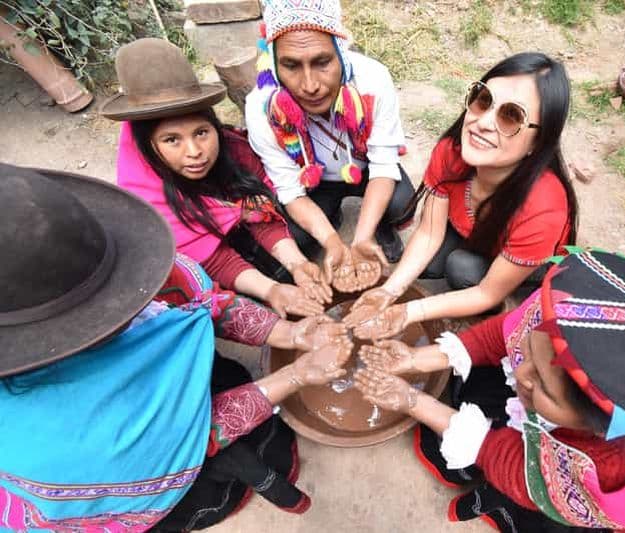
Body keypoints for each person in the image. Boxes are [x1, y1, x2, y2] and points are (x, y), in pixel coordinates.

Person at [0, 164, 354, 531]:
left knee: (224, 375)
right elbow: (191, 436)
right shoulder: (55, 444)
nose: (134, 302)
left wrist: (289, 334)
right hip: (126, 475)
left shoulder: (104, 259)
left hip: (135, 438)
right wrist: (297, 374)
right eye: (109, 312)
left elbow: (201, 301)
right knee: (210, 488)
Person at [354, 248, 625, 532]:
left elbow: (514, 463)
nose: (521, 372)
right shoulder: (572, 313)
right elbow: (504, 337)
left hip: (592, 476)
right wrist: (416, 359)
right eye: (531, 351)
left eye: (541, 386)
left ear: (596, 425)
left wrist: (413, 400)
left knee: (538, 509)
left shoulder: (612, 461)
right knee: (490, 375)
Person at [343, 53, 578, 339]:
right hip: (476, 234)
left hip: (523, 264)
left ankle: (509, 309)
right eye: (484, 99)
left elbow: (486, 292)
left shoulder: (545, 206)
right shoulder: (451, 152)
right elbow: (429, 234)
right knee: (425, 266)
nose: (483, 123)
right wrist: (388, 291)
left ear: (538, 142)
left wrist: (409, 311)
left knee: (461, 268)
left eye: (511, 116)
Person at [101, 38, 330, 318]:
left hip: (240, 234)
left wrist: (296, 264)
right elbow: (214, 259)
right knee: (208, 285)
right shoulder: (148, 198)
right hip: (205, 258)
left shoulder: (233, 149)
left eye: (201, 132)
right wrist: (271, 291)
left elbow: (260, 210)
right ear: (148, 146)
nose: (195, 152)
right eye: (172, 140)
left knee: (299, 240)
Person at [245, 0, 414, 293]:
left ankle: (377, 226)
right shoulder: (262, 107)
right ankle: (330, 218)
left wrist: (360, 239)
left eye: (322, 62)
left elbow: (384, 164)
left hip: (368, 168)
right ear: (273, 62)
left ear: (341, 53)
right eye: (291, 65)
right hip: (317, 182)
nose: (309, 85)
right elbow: (289, 191)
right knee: (298, 236)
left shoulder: (373, 79)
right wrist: (332, 242)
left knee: (401, 204)